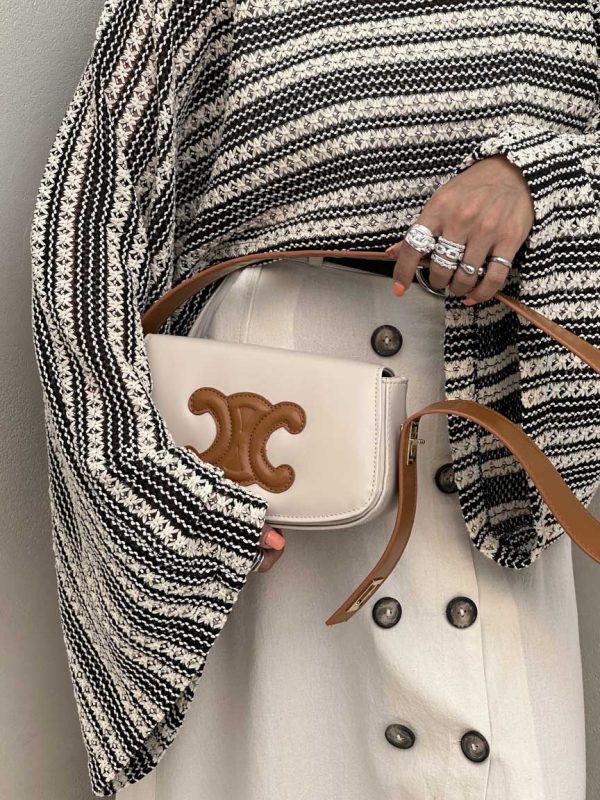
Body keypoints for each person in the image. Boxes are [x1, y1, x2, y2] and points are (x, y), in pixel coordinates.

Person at [30, 1, 600, 797]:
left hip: (489, 458)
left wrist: (539, 179)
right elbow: (85, 221)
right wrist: (145, 481)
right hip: (263, 483)